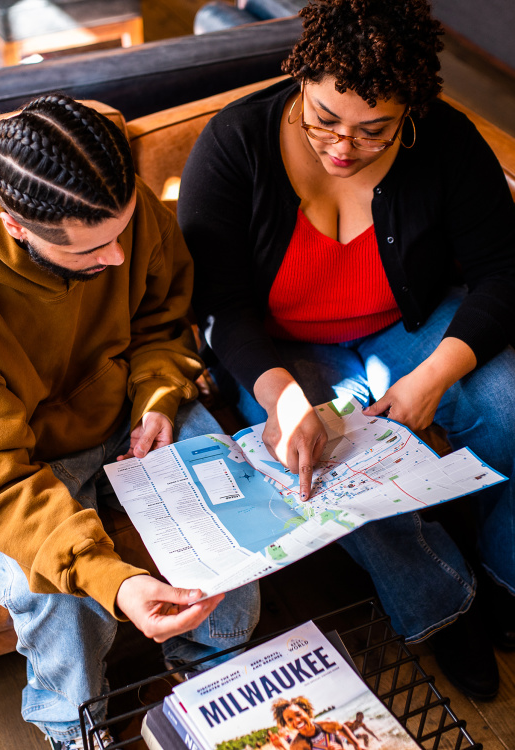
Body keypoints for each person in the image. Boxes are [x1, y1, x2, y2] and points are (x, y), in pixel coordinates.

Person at [0, 94, 260, 750]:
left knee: (229, 513)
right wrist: (113, 582)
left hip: (131, 406)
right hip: (25, 457)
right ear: (15, 226)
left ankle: (212, 675)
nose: (119, 257)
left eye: (122, 232)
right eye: (94, 248)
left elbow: (161, 322)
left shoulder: (117, 204)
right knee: (57, 602)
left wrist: (157, 397)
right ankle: (77, 729)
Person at [178, 0, 515, 701]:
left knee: (510, 403)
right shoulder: (233, 144)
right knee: (328, 468)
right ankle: (445, 608)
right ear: (299, 78)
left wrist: (432, 376)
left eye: (373, 131)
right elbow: (217, 306)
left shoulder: (446, 141)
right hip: (283, 354)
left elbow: (503, 272)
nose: (339, 147)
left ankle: (507, 579)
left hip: (412, 323)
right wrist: (281, 397)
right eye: (323, 118)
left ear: (409, 113)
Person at [269, 696, 363, 750]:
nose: (297, 720)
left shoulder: (328, 725)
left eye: (298, 714)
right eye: (290, 720)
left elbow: (341, 728)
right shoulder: (297, 746)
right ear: (287, 725)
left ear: (307, 712)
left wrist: (357, 744)